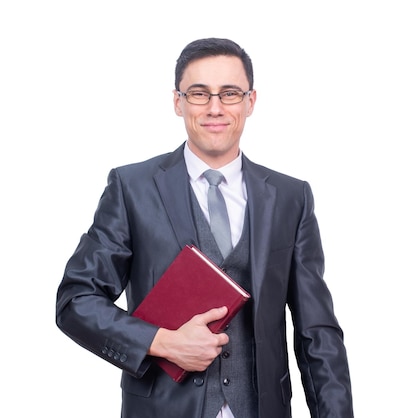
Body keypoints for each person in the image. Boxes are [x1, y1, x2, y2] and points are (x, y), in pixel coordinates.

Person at [55, 37, 353, 418]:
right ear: (178, 102)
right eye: (199, 93)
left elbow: (318, 332)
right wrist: (161, 342)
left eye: (229, 93)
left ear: (251, 101)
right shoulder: (132, 188)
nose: (215, 107)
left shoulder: (290, 197)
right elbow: (75, 301)